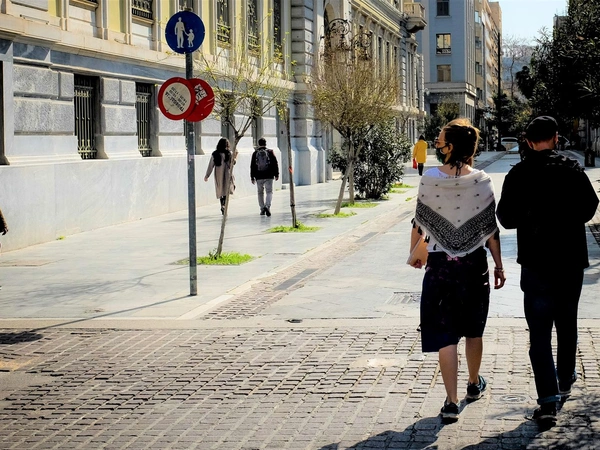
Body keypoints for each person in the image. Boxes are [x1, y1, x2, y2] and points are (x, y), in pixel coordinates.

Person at [496, 116, 599, 426]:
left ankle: (548, 401)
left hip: (536, 262)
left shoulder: (519, 173)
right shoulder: (572, 169)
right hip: (570, 261)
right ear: (556, 138)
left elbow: (506, 218)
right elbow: (590, 207)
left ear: (528, 142)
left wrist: (531, 215)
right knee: (567, 322)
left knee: (539, 333)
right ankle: (565, 377)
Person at [409, 118, 506, 422]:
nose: (437, 144)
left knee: (445, 335)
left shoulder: (429, 179)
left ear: (450, 147)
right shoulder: (482, 180)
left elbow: (419, 223)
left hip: (439, 266)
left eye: (440, 141)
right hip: (474, 265)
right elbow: (491, 231)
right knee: (474, 330)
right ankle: (473, 384)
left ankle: (451, 402)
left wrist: (414, 254)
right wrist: (499, 265)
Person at [204, 138, 235, 215]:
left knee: (220, 190)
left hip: (218, 174)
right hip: (227, 173)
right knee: (226, 190)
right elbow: (233, 163)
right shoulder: (229, 153)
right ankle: (224, 205)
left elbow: (211, 165)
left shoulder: (215, 154)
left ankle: (222, 205)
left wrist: (207, 175)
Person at [250, 137, 279, 216]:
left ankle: (262, 208)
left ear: (258, 144)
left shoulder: (255, 153)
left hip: (258, 175)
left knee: (260, 192)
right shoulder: (270, 152)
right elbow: (275, 163)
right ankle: (267, 206)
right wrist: (276, 174)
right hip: (269, 175)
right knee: (269, 191)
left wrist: (252, 177)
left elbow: (252, 166)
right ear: (266, 144)